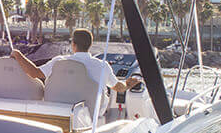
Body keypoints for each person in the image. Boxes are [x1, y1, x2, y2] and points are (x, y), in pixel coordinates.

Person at [9, 28, 142, 98]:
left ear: (73, 44)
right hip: (89, 116)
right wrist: (127, 84)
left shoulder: (59, 61)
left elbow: (34, 73)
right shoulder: (102, 66)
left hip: (60, 110)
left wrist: (17, 54)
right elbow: (118, 87)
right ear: (90, 45)